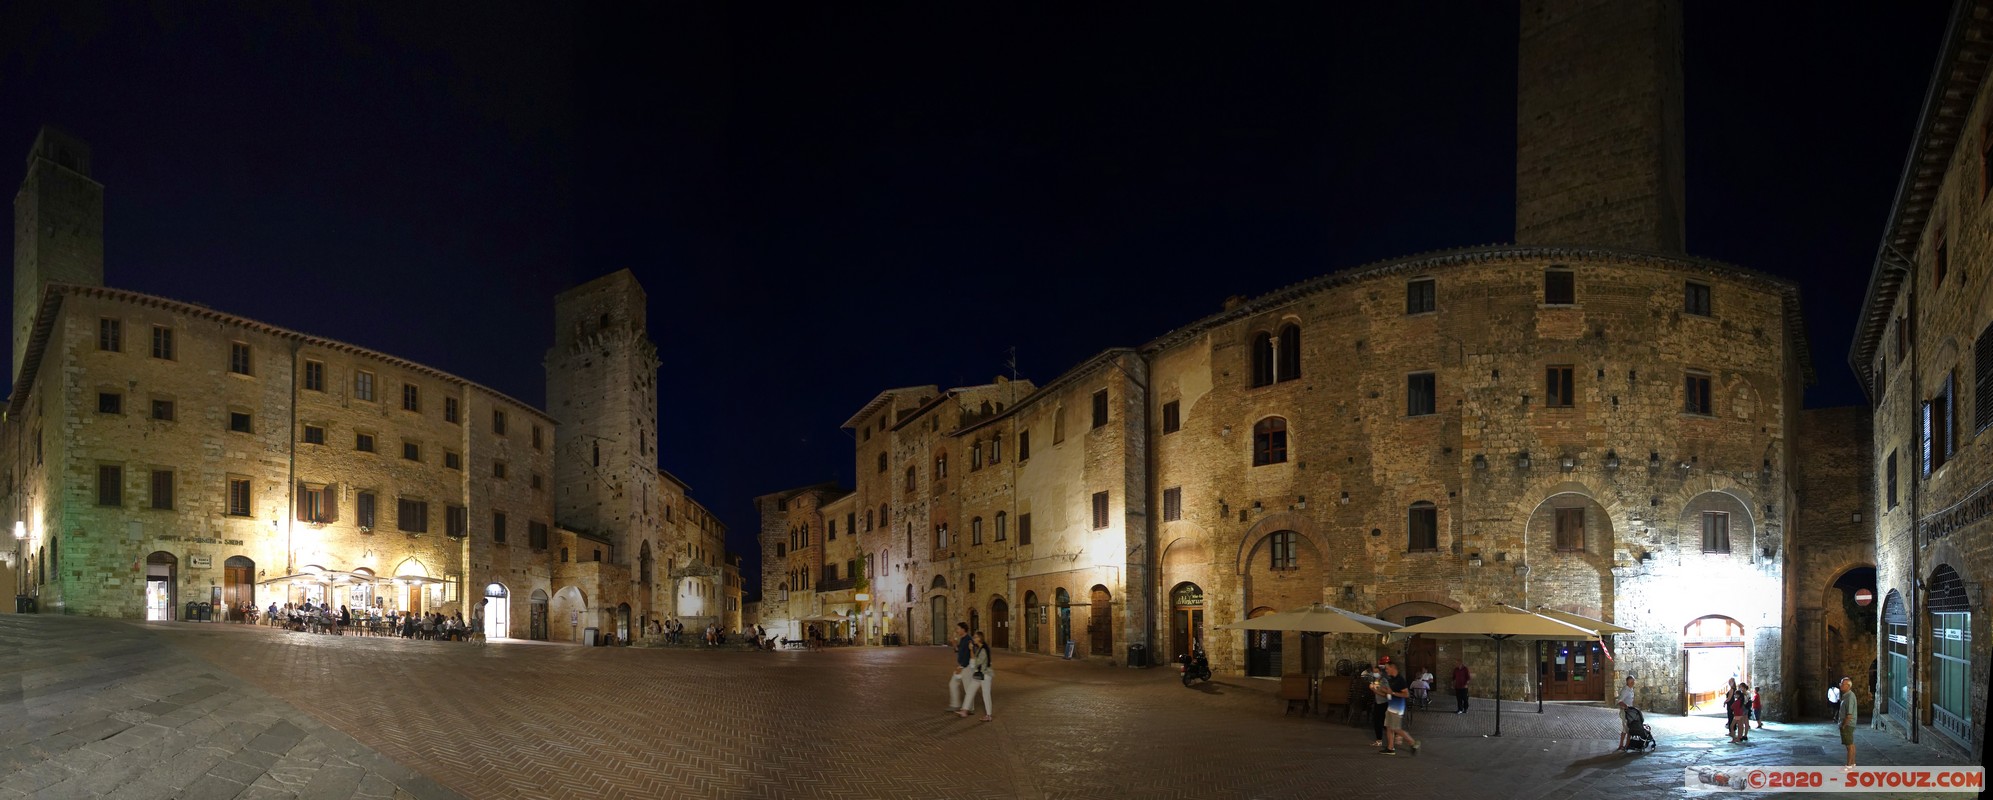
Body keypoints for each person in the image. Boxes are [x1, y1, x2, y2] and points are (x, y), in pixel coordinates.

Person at [1378, 661, 1419, 756]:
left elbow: (1406, 694)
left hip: (1397, 709)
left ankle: (1413, 743)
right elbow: (1389, 693)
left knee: (1396, 729)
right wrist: (1381, 690)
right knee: (1388, 727)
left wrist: (1392, 693)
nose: (1386, 670)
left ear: (1393, 668)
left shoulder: (1400, 680)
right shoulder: (1391, 679)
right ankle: (1390, 748)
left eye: (1387, 668)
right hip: (1390, 707)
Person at [957, 631, 994, 721]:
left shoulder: (983, 650)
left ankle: (988, 715)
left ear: (979, 639)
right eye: (973, 637)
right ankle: (964, 710)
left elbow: (974, 663)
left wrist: (970, 650)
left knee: (986, 694)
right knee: (970, 690)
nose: (973, 638)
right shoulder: (979, 648)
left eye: (975, 637)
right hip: (978, 675)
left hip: (985, 676)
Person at [946, 621, 973, 712]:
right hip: (961, 666)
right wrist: (954, 643)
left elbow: (968, 655)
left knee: (967, 687)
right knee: (953, 684)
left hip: (966, 667)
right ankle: (955, 704)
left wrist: (961, 667)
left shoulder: (968, 639)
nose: (956, 630)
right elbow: (958, 651)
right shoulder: (962, 639)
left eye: (958, 628)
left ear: (963, 629)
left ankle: (969, 708)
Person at [1835, 676, 1858, 769]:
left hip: (1848, 724)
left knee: (1849, 745)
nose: (1840, 685)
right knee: (1851, 744)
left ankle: (1848, 766)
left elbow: (1849, 714)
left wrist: (1844, 725)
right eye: (1840, 683)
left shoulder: (1849, 697)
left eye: (1842, 684)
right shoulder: (1847, 695)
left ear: (1848, 686)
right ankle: (1852, 763)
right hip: (1848, 724)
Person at [1369, 657, 1392, 747]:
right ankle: (1379, 740)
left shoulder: (1383, 681)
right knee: (1377, 722)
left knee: (1383, 723)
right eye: (1374, 672)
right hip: (1377, 703)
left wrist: (1375, 691)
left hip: (1383, 704)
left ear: (1380, 672)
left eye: (1376, 672)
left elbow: (1386, 694)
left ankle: (1390, 742)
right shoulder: (1376, 680)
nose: (1375, 674)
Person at [1616, 676, 1637, 751]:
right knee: (1627, 729)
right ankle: (1624, 745)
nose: (1633, 683)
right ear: (1628, 682)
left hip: (1629, 712)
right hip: (1625, 712)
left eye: (1633, 681)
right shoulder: (1625, 690)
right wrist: (1626, 707)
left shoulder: (1631, 689)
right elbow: (1619, 701)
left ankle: (1625, 745)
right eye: (1631, 682)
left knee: (1627, 729)